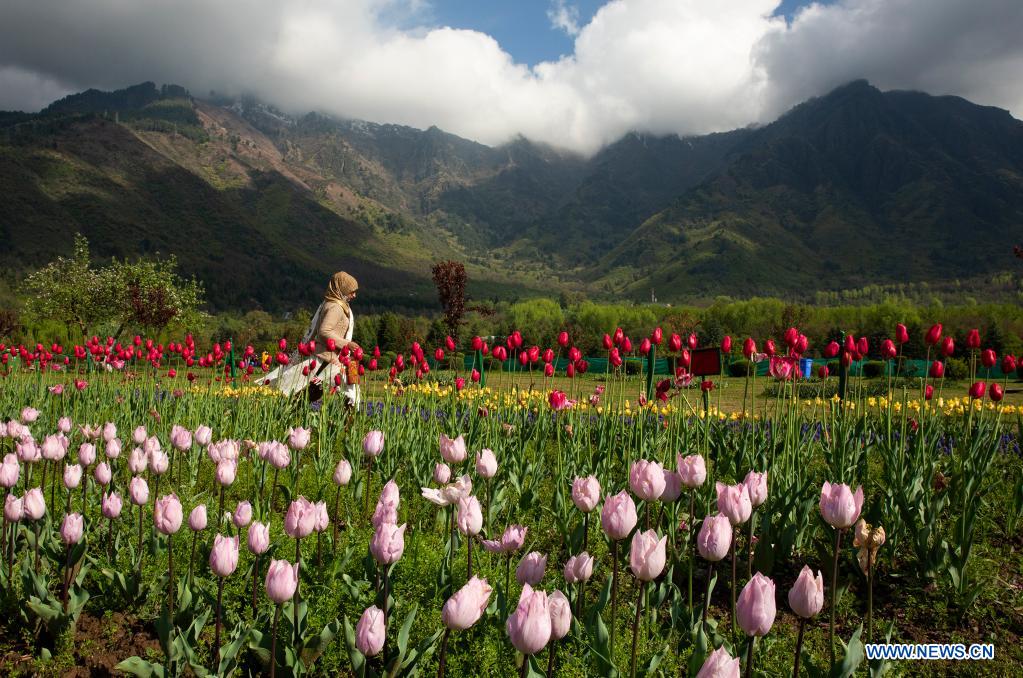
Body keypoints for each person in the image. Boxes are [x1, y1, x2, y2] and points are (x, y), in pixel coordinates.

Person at [265, 271, 362, 406]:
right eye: (351, 291)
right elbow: (324, 331)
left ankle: (290, 413)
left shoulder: (333, 304)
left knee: (314, 392)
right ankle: (347, 423)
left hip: (332, 356)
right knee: (345, 394)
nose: (354, 295)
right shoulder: (336, 307)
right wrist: (347, 344)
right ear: (342, 288)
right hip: (328, 358)